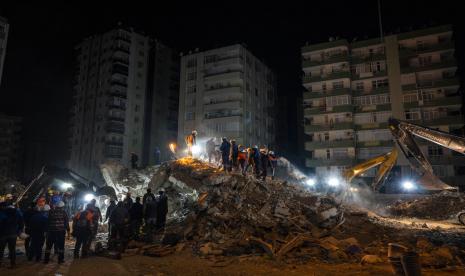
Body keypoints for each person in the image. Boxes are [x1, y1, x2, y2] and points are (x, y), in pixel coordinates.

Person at [0, 198, 24, 268]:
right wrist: (19, 231)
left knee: (1, 249)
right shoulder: (16, 211)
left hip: (2, 234)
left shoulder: (1, 212)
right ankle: (13, 264)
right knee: (12, 249)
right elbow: (21, 222)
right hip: (13, 233)